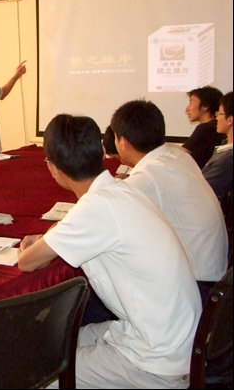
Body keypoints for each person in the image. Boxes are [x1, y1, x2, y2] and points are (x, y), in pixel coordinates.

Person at [18, 114, 201, 389]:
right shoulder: (121, 190)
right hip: (172, 337)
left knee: (34, 373)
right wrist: (51, 237)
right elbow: (82, 223)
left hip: (156, 360)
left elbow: (27, 262)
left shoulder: (95, 208)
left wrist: (41, 243)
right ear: (101, 152)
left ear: (54, 168)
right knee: (56, 340)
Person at [111, 99, 228, 301]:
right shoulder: (177, 155)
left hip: (193, 289)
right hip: (213, 280)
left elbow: (104, 214)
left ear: (123, 142)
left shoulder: (149, 176)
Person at [182, 85, 225, 169]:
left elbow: (182, 153)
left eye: (191, 103)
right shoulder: (216, 126)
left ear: (205, 106)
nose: (187, 109)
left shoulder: (205, 128)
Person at [202, 91, 233, 200]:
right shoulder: (225, 147)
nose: (216, 118)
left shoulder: (227, 159)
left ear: (230, 119)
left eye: (219, 113)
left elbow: (200, 191)